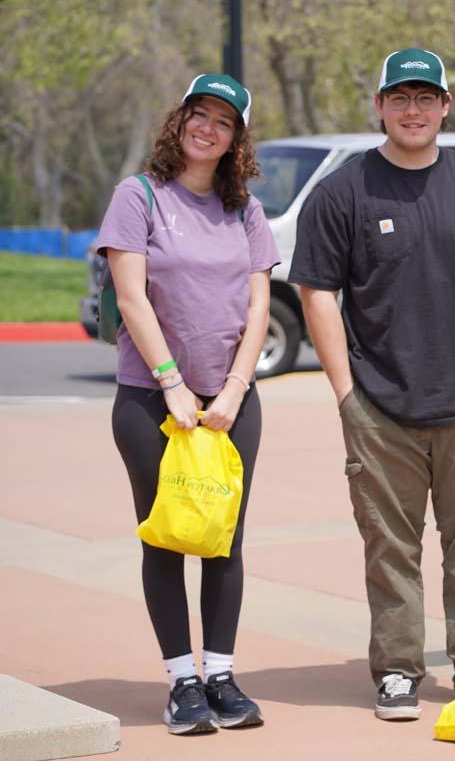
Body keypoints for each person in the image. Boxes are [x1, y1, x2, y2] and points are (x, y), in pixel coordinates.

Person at [289, 48, 455, 721]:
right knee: (390, 549)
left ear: (447, 107)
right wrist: (345, 393)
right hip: (381, 406)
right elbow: (316, 292)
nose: (414, 109)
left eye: (426, 98)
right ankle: (397, 671)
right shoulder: (343, 191)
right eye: (401, 98)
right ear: (380, 106)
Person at [99, 74, 278, 734]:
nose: (208, 127)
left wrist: (232, 389)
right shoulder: (138, 196)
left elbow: (259, 305)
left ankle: (222, 676)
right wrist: (173, 382)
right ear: (178, 121)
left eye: (223, 122)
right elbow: (131, 298)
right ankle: (182, 683)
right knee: (168, 536)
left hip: (232, 400)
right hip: (152, 401)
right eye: (198, 114)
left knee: (224, 539)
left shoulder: (246, 211)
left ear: (237, 140)